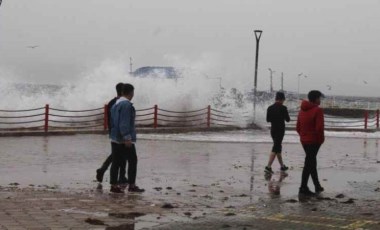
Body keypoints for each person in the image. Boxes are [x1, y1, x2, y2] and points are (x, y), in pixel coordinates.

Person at [109, 83, 144, 193]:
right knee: (132, 161)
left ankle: (114, 186)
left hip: (115, 137)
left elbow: (114, 121)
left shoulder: (116, 104)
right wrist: (127, 137)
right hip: (123, 140)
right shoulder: (126, 105)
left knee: (116, 162)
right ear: (131, 92)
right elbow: (124, 123)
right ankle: (132, 185)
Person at [96, 82, 128, 184]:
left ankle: (119, 176)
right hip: (119, 132)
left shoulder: (112, 102)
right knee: (119, 154)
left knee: (120, 154)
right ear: (123, 91)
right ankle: (107, 172)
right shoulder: (120, 103)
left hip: (113, 131)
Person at [297, 90, 325, 196]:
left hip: (304, 141)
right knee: (309, 163)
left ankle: (317, 185)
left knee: (311, 162)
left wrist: (303, 137)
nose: (320, 100)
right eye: (319, 98)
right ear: (316, 99)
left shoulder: (301, 110)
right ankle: (303, 187)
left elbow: (298, 128)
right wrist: (320, 140)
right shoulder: (318, 110)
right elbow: (319, 128)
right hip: (314, 141)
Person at [265, 91, 290, 174]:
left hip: (273, 130)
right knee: (276, 148)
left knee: (278, 147)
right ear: (282, 99)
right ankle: (268, 167)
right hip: (280, 130)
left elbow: (268, 120)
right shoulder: (283, 108)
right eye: (284, 100)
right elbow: (288, 120)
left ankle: (282, 166)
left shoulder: (270, 108)